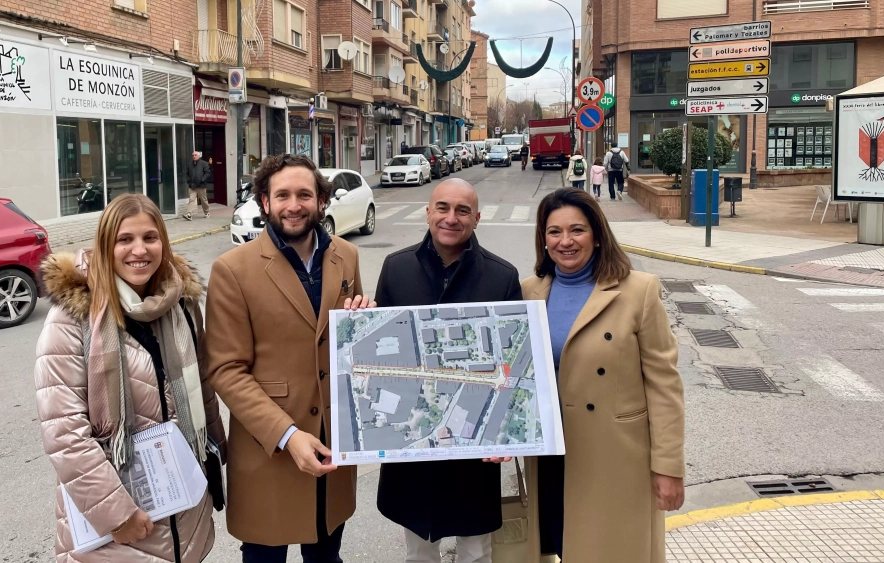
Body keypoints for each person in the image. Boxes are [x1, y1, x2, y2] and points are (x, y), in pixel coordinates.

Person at [34, 194, 227, 562]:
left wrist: (216, 456)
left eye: (150, 238)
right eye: (125, 239)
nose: (139, 250)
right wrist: (116, 515)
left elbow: (202, 389)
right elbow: (64, 432)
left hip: (183, 504)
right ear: (106, 245)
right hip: (117, 525)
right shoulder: (73, 320)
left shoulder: (182, 305)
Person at [205, 154, 374, 563]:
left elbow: (350, 347)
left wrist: (365, 323)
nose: (293, 205)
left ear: (321, 201)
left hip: (332, 444)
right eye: (282, 195)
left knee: (326, 555)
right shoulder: (233, 269)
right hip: (269, 448)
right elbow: (226, 370)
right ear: (265, 202)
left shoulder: (345, 255)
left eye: (304, 195)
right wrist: (288, 435)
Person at [521, 188, 685, 562]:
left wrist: (668, 468)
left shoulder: (638, 291)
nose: (565, 241)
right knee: (557, 545)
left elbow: (664, 385)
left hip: (615, 457)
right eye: (554, 231)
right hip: (550, 456)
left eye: (577, 230)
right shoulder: (529, 291)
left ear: (597, 235)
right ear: (543, 239)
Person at [375, 178, 522, 563]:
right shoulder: (396, 268)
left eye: (462, 211)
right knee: (419, 552)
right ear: (428, 212)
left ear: (477, 218)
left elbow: (514, 366)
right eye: (442, 208)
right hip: (414, 441)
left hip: (474, 445)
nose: (451, 218)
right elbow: (382, 353)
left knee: (476, 551)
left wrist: (506, 433)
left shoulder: (502, 276)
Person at [184, 150, 212, 220]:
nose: (194, 156)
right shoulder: (190, 164)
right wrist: (188, 181)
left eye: (195, 155)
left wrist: (202, 180)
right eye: (193, 155)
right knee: (191, 200)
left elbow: (207, 173)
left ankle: (206, 212)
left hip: (201, 186)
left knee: (203, 200)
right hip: (192, 186)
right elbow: (187, 174)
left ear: (199, 156)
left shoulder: (204, 163)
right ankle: (189, 214)